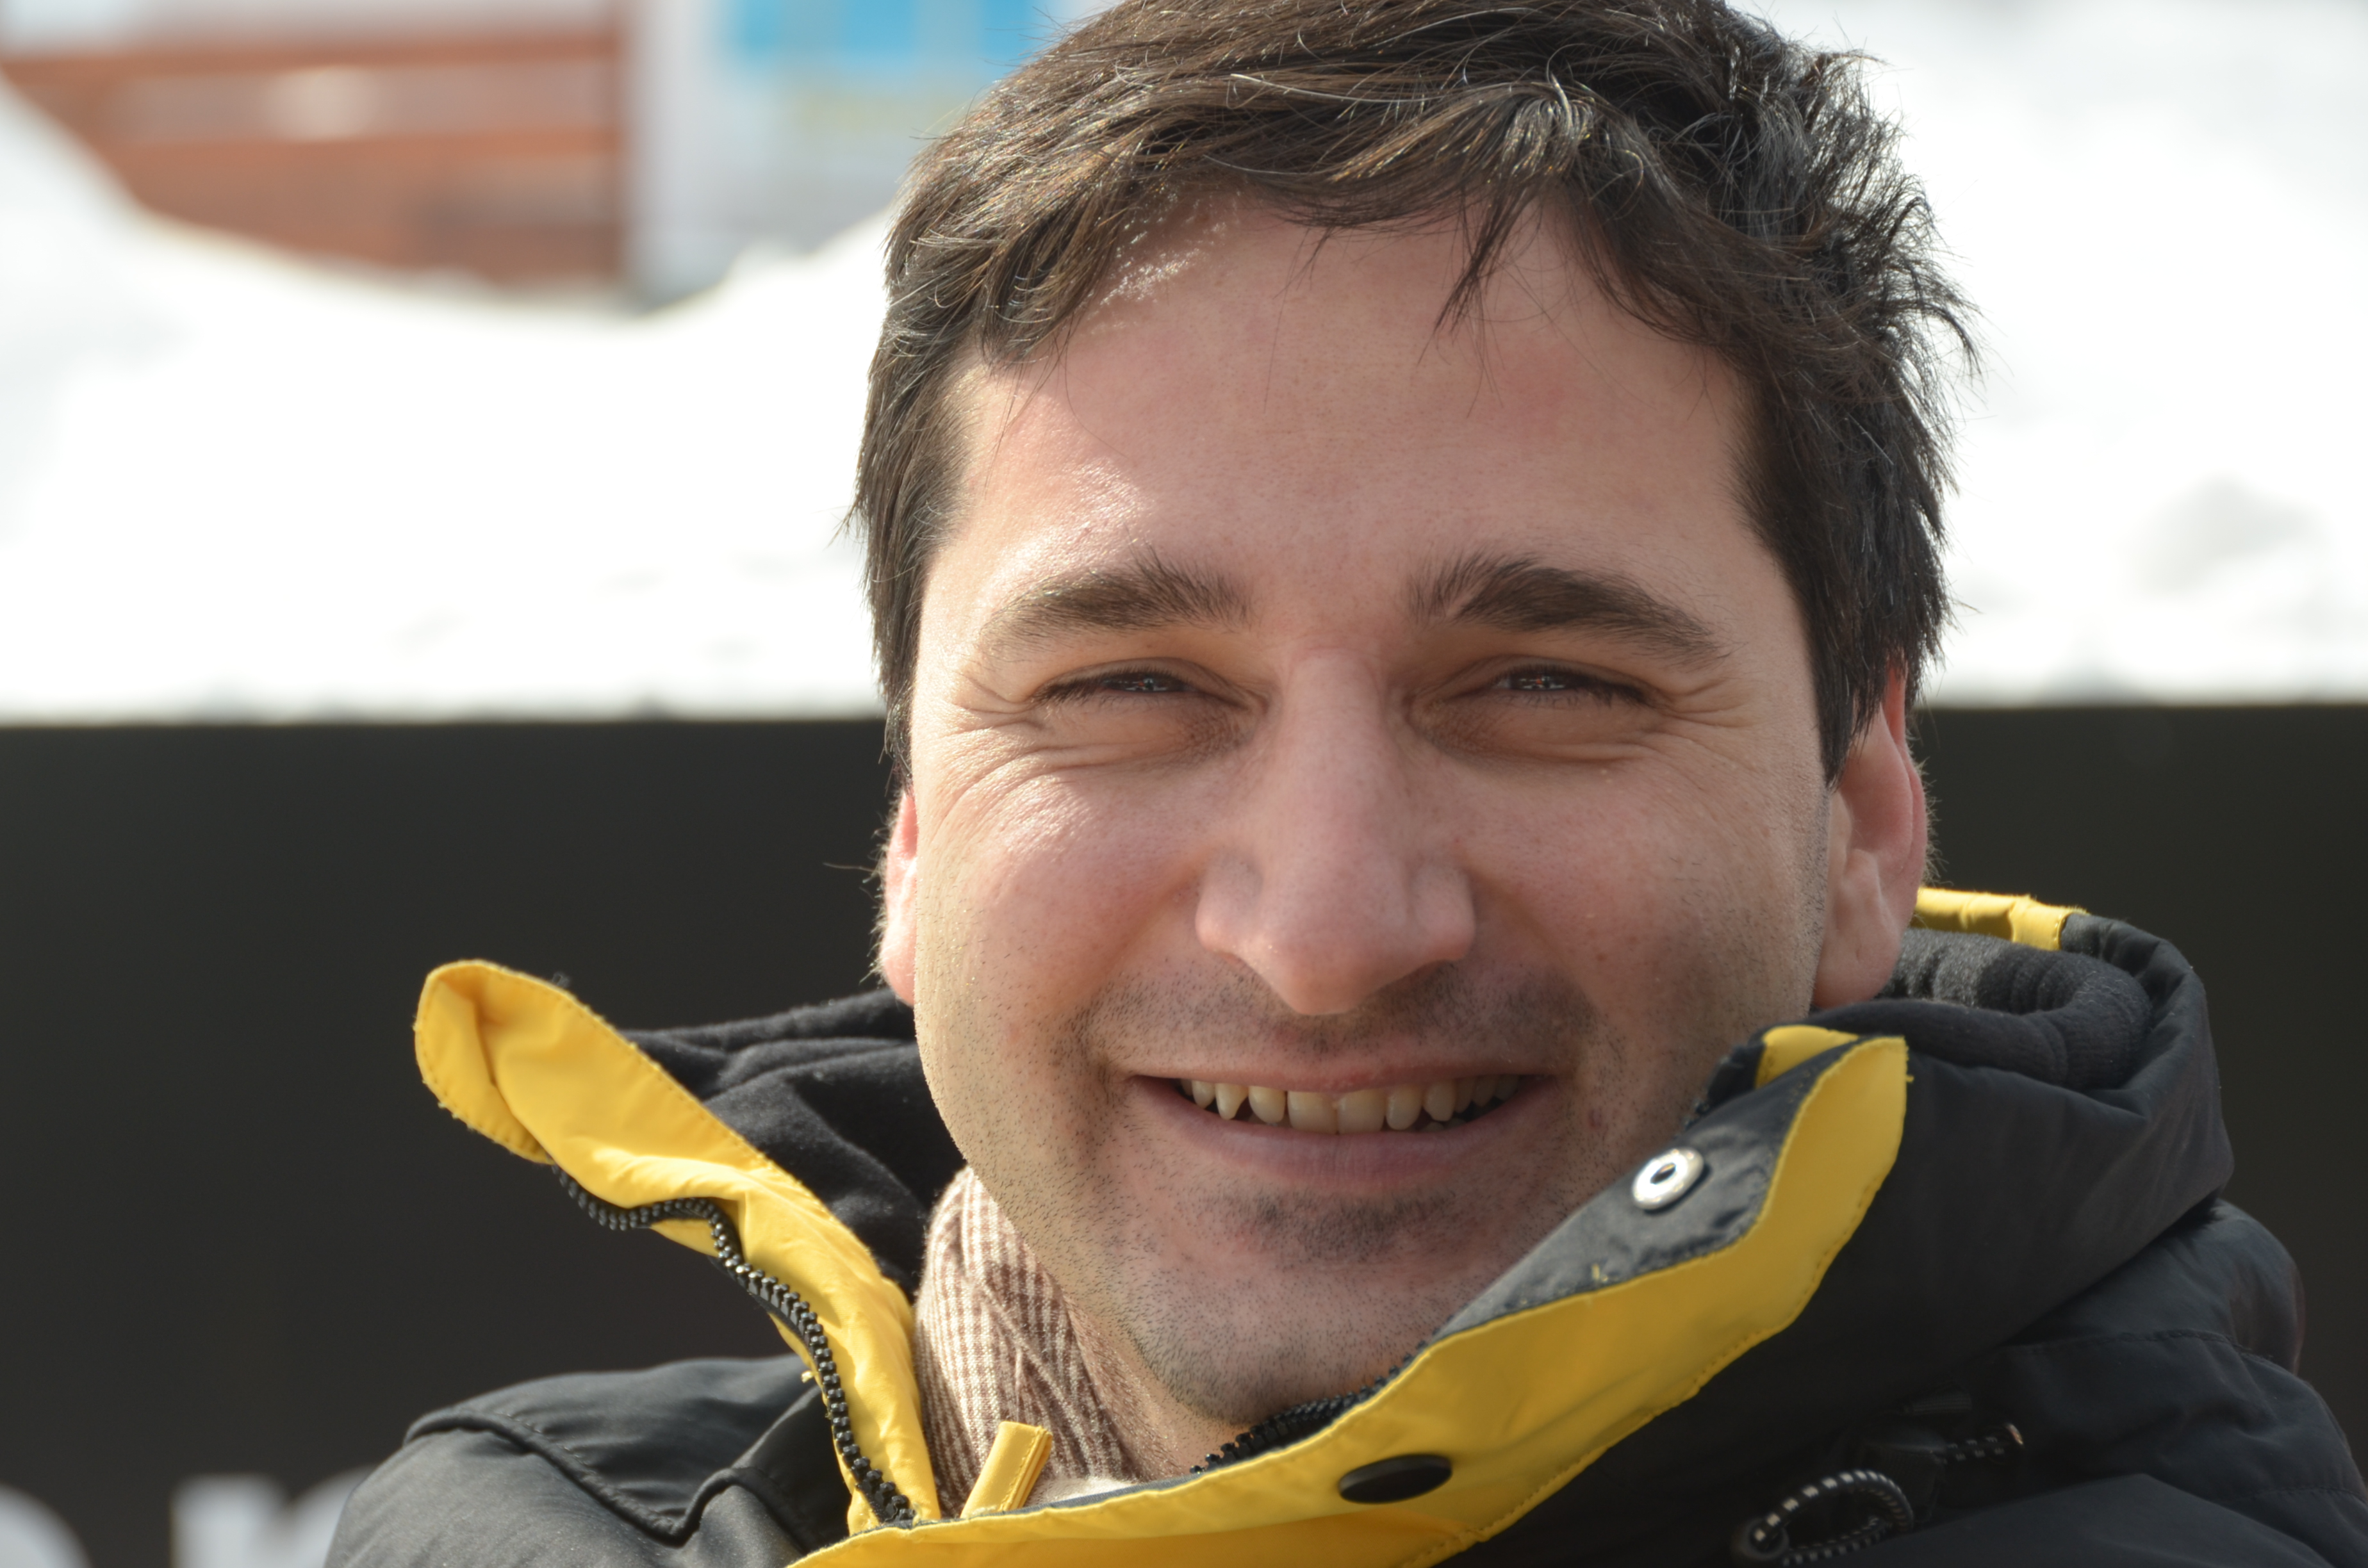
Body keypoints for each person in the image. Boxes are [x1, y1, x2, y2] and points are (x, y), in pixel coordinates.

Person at [330, 1, 2368, 1563]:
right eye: (1131, 686)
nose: (1321, 934)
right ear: (919, 830)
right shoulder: (502, 1537)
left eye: (1542, 684)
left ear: (1862, 818)